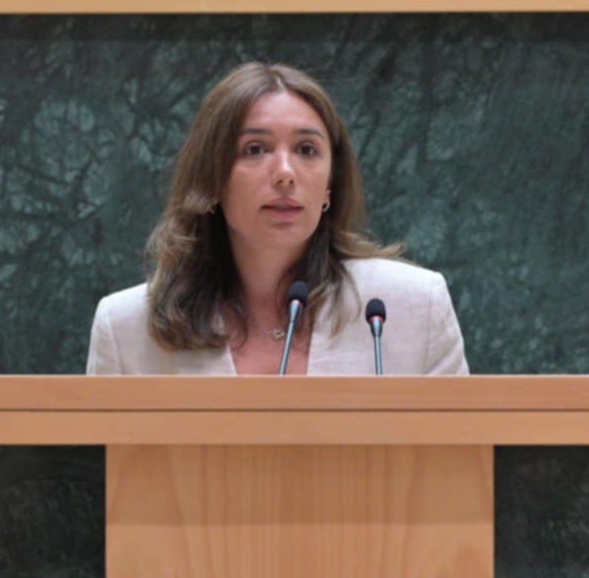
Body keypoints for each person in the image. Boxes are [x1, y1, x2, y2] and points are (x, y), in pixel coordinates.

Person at [86, 62, 468, 376]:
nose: (285, 173)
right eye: (255, 149)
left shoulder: (413, 308)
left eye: (306, 149)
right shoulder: (127, 330)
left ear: (330, 185)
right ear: (211, 179)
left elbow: (460, 449)